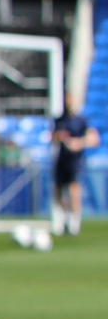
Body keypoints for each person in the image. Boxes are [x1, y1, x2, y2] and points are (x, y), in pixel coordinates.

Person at [52, 95, 98, 236]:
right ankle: (63, 218)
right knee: (58, 191)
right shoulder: (59, 119)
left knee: (73, 190)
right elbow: (52, 136)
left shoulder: (81, 121)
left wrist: (79, 143)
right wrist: (58, 137)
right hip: (61, 159)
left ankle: (74, 222)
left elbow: (94, 139)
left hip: (75, 161)